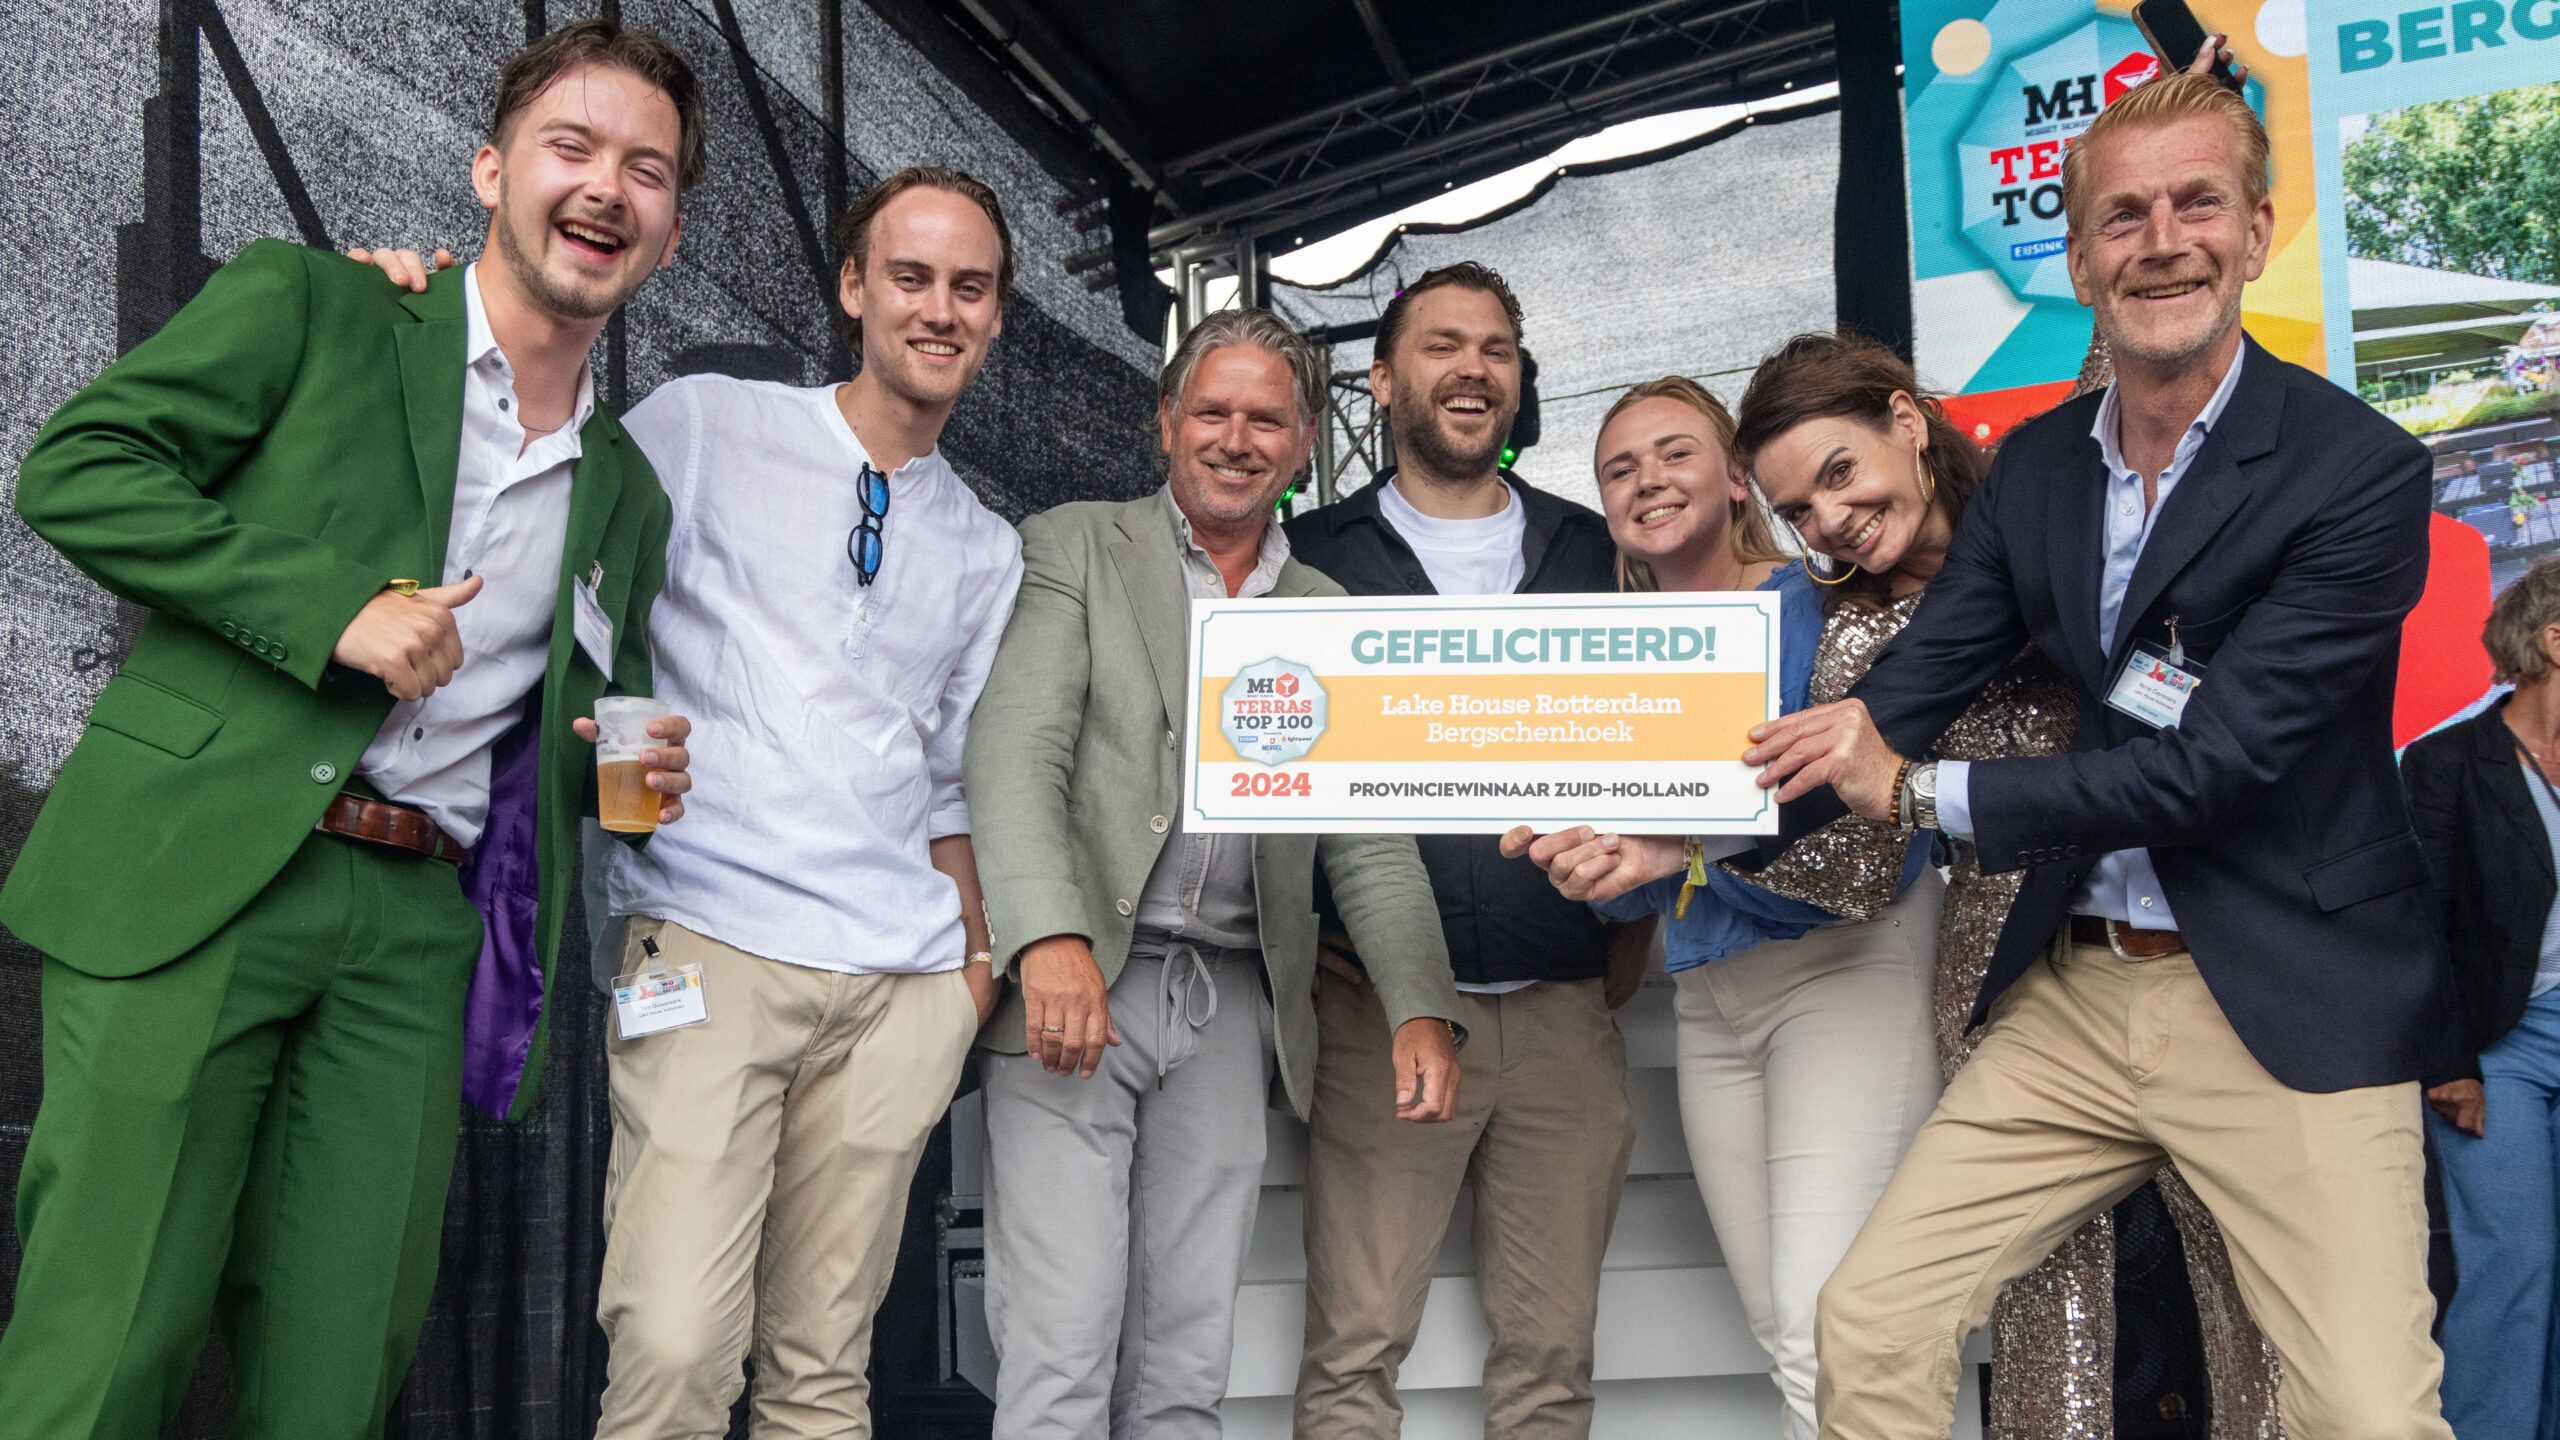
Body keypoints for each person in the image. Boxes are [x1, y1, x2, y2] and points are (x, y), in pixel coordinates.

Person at [1524, 71, 2455, 1438]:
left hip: (2279, 997)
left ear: (2256, 233)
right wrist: (1686, 836)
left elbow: (2211, 770)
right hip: (2074, 994)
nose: (2162, 241)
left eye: (2197, 204)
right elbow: (1898, 697)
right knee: (1870, 1323)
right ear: (2078, 256)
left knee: (2365, 1415)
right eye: (2122, 216)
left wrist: (1920, 794)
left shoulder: (2357, 471)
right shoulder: (2041, 473)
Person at [0, 22, 702, 1439]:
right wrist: (335, 610)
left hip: (417, 934)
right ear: (491, 170)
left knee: (341, 1370)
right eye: (572, 148)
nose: (605, 189)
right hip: (202, 879)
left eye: (647, 170)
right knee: (108, 1347)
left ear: (669, 233)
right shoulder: (317, 305)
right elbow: (73, 470)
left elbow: (546, 717)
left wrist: (613, 773)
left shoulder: (628, 489)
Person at [964, 307, 1465, 1440]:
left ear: (1299, 446)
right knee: (1060, 1347)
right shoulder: (1077, 544)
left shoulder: (1324, 610)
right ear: (1167, 424)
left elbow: (1366, 834)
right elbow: (1013, 753)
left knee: (1188, 1359)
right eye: (1213, 412)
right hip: (1080, 987)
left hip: (1232, 1004)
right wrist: (1048, 940)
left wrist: (1419, 1005)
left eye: (1266, 421)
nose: (1236, 439)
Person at [1278, 261, 1646, 1440]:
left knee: (1551, 1364)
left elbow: (1662, 744)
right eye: (1441, 345)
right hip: (1380, 1013)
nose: (1471, 368)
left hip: (1561, 1011)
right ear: (1382, 379)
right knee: (1352, 1353)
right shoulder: (1304, 557)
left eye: (1495, 347)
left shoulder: (1598, 550)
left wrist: (1623, 933)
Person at [1575, 376, 1943, 1439]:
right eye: (1618, 467)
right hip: (1711, 999)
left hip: (1845, 971)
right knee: (1784, 1331)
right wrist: (1596, 870)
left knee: (1828, 1331)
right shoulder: (1616, 648)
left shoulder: (1827, 605)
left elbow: (1867, 829)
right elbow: (1659, 874)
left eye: (1674, 452)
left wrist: (1671, 850)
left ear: (1738, 476)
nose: (1648, 479)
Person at [2404, 557, 2560, 1438]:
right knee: (2516, 1263)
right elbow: (2422, 926)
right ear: (2553, 641)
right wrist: (2450, 1063)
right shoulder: (2448, 762)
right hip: (2500, 1047)